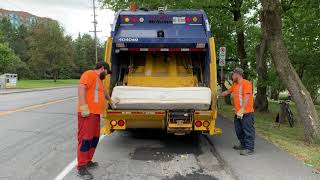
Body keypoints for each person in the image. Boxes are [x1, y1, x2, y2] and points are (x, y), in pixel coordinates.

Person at [77, 61, 113, 179]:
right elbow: (81, 88)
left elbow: (105, 92)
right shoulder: (89, 74)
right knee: (85, 139)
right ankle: (81, 166)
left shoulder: (99, 80)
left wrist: (111, 100)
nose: (106, 75)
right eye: (106, 73)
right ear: (102, 68)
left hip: (95, 114)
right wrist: (83, 107)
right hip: (87, 113)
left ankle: (88, 160)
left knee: (94, 139)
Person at [220, 68, 255, 156]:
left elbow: (246, 97)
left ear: (237, 74)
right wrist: (217, 95)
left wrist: (242, 109)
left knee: (248, 130)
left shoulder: (246, 83)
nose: (232, 76)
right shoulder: (235, 84)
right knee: (239, 130)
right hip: (238, 112)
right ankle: (243, 145)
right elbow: (228, 91)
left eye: (232, 75)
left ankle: (249, 148)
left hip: (246, 112)